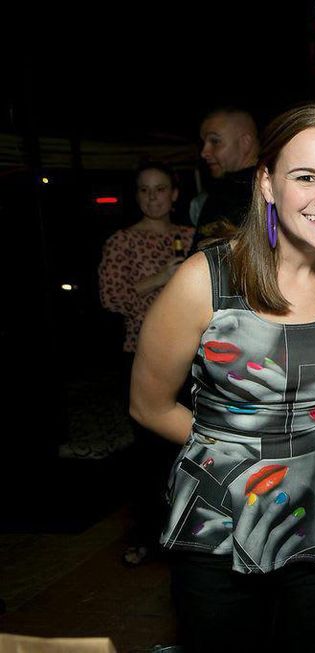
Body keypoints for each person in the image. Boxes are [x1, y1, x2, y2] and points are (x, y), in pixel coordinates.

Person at [130, 102, 315, 652]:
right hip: (220, 517)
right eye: (305, 177)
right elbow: (149, 406)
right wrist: (248, 455)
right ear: (267, 183)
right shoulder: (207, 279)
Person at [98, 161, 195, 566]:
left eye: (160, 189)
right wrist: (161, 278)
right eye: (144, 190)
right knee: (148, 452)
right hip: (143, 354)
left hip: (194, 354)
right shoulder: (122, 241)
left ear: (174, 194)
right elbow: (111, 297)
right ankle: (146, 535)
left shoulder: (191, 237)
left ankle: (189, 533)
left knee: (188, 448)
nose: (152, 197)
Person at [193, 107, 260, 249]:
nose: (204, 152)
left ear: (245, 143)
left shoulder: (265, 191)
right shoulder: (221, 190)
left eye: (215, 141)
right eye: (204, 143)